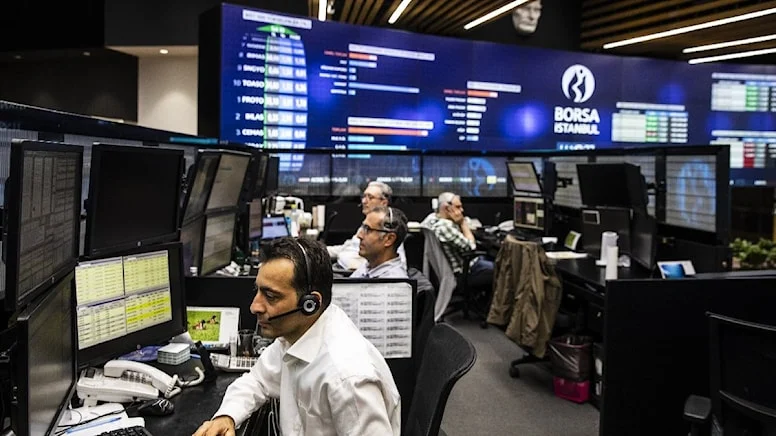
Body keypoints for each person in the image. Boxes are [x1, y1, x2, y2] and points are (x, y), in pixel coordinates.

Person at [193, 237, 400, 436]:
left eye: (271, 296)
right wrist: (227, 416)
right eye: (258, 291)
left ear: (310, 304)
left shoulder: (348, 379)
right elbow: (257, 380)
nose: (254, 307)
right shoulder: (296, 335)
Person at [327, 181, 406, 270]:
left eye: (370, 197)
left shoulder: (389, 224)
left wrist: (356, 267)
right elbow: (346, 248)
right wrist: (321, 250)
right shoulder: (367, 223)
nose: (364, 201)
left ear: (384, 203)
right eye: (364, 196)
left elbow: (399, 264)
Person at [426, 192, 494, 288]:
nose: (462, 210)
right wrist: (463, 224)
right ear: (447, 208)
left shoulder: (432, 219)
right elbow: (471, 247)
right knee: (502, 269)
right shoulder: (445, 227)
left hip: (461, 267)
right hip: (464, 272)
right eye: (458, 207)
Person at [351, 206, 409, 279]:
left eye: (368, 229)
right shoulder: (368, 267)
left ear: (389, 239)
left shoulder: (393, 282)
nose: (359, 235)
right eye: (363, 227)